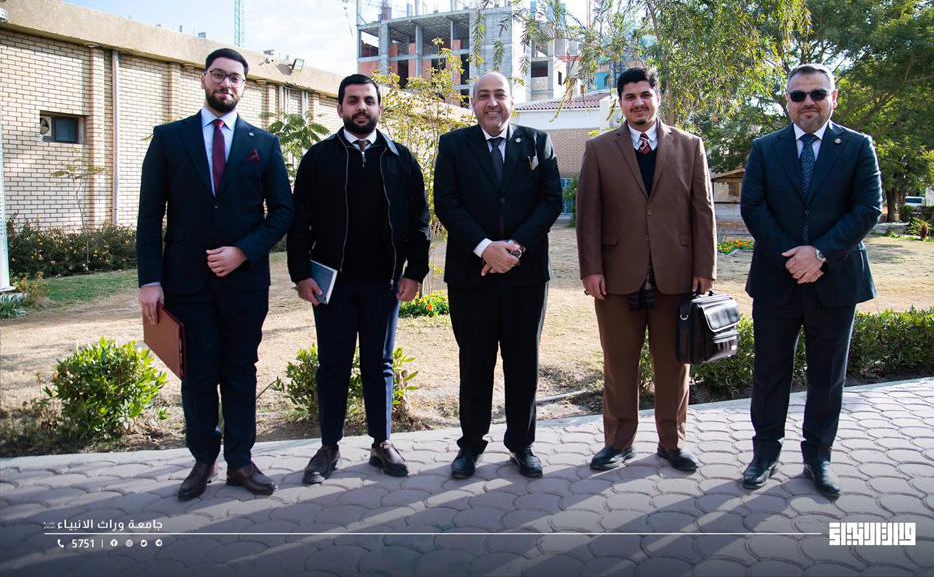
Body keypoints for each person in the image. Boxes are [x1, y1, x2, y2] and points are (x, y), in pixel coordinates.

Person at [137, 48, 294, 500]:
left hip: (245, 284)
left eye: (235, 78)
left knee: (241, 370)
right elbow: (149, 215)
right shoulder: (169, 138)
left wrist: (243, 251)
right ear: (204, 79)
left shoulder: (264, 144)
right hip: (186, 283)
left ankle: (241, 461)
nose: (226, 83)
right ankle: (203, 459)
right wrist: (150, 280)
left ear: (245, 87)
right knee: (199, 374)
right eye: (218, 75)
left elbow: (282, 212)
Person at [740, 63, 882, 497]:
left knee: (827, 377)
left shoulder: (858, 146)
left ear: (833, 98)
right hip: (776, 281)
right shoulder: (765, 148)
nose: (808, 102)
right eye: (798, 95)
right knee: (769, 372)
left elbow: (868, 208)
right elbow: (753, 207)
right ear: (787, 102)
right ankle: (765, 453)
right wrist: (793, 256)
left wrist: (819, 254)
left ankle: (818, 457)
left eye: (817, 94)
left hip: (835, 281)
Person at [287, 74, 430, 483]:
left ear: (379, 108)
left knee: (378, 364)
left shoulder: (400, 158)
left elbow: (419, 222)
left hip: (384, 283)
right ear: (340, 109)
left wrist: (414, 273)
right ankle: (328, 447)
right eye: (353, 101)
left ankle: (381, 443)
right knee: (332, 364)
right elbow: (299, 224)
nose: (361, 107)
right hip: (332, 285)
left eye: (368, 100)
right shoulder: (318, 159)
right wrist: (301, 275)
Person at [576, 66, 716, 473]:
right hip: (617, 278)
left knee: (674, 365)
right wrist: (591, 269)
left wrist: (705, 267)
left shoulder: (690, 146)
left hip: (677, 275)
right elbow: (588, 216)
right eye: (630, 96)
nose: (638, 103)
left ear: (657, 98)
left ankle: (672, 443)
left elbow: (703, 211)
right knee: (619, 364)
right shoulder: (598, 149)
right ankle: (618, 442)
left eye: (645, 95)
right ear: (620, 103)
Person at [434, 71, 562, 479]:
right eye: (483, 95)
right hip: (472, 276)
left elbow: (551, 201)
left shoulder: (537, 142)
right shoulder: (454, 145)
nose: (492, 103)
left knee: (523, 362)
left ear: (512, 101)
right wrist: (485, 247)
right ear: (472, 103)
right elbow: (446, 202)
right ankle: (471, 445)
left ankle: (522, 444)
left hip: (526, 276)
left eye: (500, 95)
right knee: (475, 362)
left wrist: (515, 248)